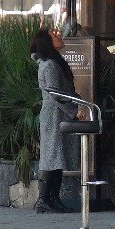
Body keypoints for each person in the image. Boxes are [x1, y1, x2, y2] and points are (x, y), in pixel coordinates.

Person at [30, 28, 87, 214]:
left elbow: (66, 91)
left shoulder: (54, 62)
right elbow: (56, 94)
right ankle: (44, 199)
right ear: (47, 42)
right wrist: (74, 110)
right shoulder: (50, 65)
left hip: (59, 115)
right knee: (51, 156)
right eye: (55, 36)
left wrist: (77, 104)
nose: (60, 37)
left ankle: (53, 199)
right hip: (54, 116)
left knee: (57, 156)